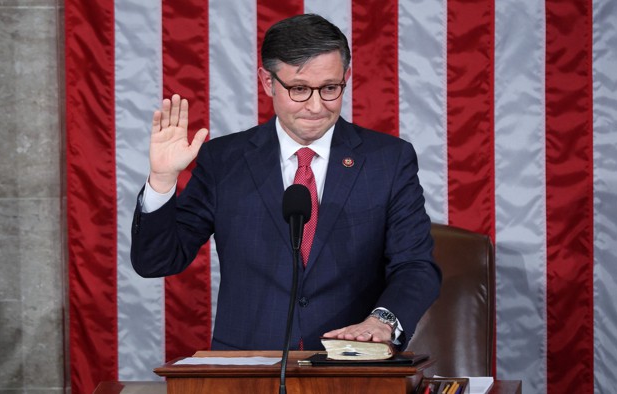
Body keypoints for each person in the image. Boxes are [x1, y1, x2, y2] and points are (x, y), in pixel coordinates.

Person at [131, 13, 441, 351]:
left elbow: (415, 266)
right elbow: (158, 261)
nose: (316, 106)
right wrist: (162, 181)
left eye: (330, 88)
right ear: (267, 82)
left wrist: (380, 322)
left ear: (346, 78)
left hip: (351, 364)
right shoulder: (224, 161)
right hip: (249, 368)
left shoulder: (388, 160)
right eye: (299, 89)